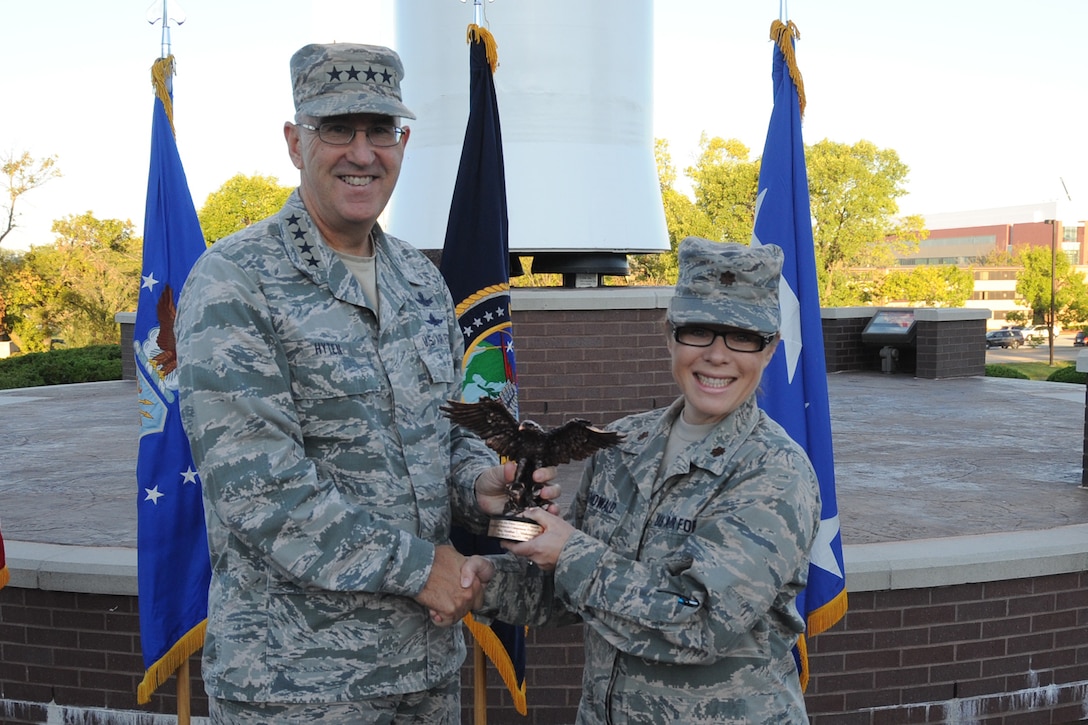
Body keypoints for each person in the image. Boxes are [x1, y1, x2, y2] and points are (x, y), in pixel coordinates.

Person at [175, 43, 555, 723]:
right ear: (296, 142)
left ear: (402, 141)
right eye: (337, 128)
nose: (362, 151)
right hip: (297, 688)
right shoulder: (235, 281)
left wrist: (483, 489)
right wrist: (420, 569)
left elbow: (452, 436)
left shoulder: (422, 284)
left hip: (425, 674)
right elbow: (262, 491)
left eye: (380, 130)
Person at [465, 238, 822, 724]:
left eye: (742, 336)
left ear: (770, 349)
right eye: (698, 331)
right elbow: (574, 591)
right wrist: (488, 582)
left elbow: (700, 620)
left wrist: (568, 550)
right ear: (670, 335)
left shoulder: (774, 472)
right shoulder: (623, 442)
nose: (718, 356)